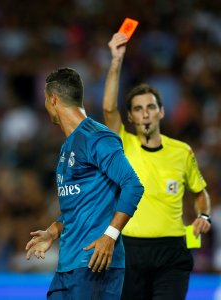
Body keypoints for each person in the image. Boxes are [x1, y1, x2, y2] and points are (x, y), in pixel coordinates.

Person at [103, 33, 212, 300]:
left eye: (151, 107)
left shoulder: (181, 151)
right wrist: (116, 61)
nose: (145, 113)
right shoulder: (123, 145)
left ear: (161, 111)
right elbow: (108, 109)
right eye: (138, 109)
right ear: (130, 117)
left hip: (172, 251)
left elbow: (200, 192)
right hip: (129, 251)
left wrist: (203, 216)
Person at [25, 67, 144, 300]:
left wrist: (110, 235)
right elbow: (79, 204)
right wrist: (52, 232)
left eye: (46, 101)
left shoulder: (97, 137)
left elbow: (133, 184)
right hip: (68, 265)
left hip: (94, 263)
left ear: (53, 99)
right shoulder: (68, 145)